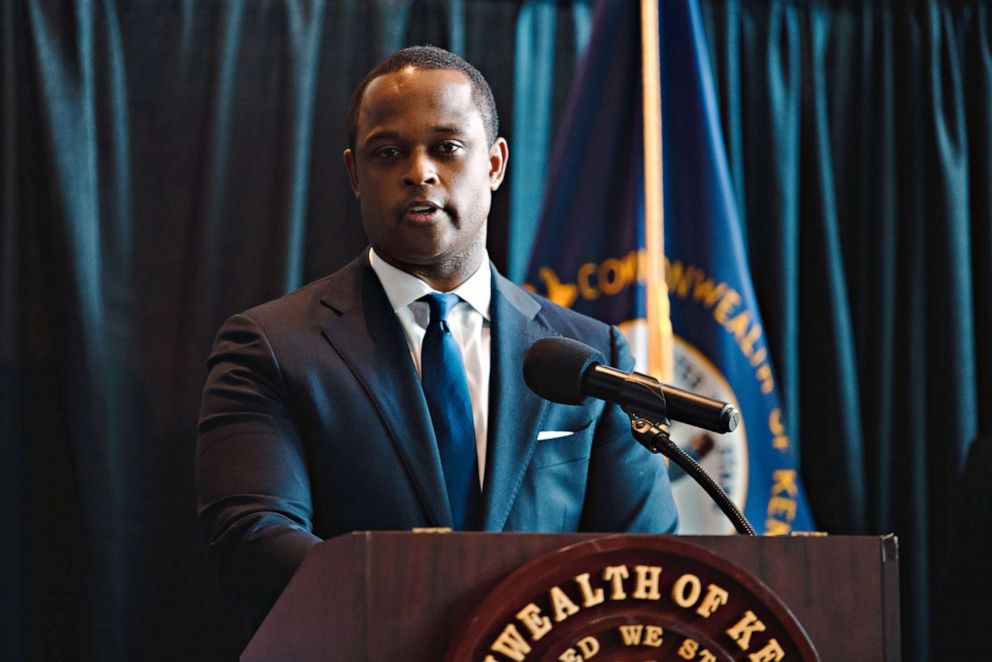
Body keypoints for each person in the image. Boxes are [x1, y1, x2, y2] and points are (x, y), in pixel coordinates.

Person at [196, 45, 678, 629]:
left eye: (447, 148)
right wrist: (429, 610)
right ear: (355, 173)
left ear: (495, 164)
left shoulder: (590, 356)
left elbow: (642, 559)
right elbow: (254, 536)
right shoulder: (271, 347)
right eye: (388, 152)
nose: (419, 171)